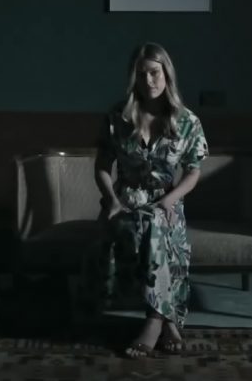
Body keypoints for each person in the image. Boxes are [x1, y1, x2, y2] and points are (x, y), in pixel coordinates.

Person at [83, 42, 208, 358]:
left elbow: (193, 172)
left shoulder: (187, 121)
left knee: (157, 223)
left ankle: (154, 320)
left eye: (154, 72)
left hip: (166, 201)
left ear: (167, 73)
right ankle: (167, 322)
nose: (149, 80)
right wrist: (111, 200)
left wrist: (170, 200)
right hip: (125, 201)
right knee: (149, 226)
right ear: (133, 78)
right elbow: (102, 167)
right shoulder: (118, 117)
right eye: (141, 74)